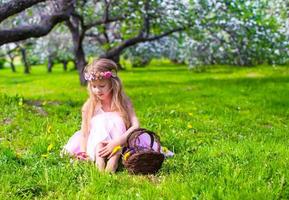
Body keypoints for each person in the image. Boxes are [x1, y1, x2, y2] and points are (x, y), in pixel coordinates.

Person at [62, 58, 140, 173]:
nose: (97, 90)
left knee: (116, 120)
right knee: (99, 123)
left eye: (102, 86)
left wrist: (116, 142)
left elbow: (136, 125)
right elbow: (84, 132)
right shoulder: (90, 106)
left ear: (113, 84)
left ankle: (114, 159)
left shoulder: (123, 102)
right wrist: (84, 152)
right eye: (94, 86)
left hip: (120, 141)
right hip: (96, 143)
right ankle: (100, 160)